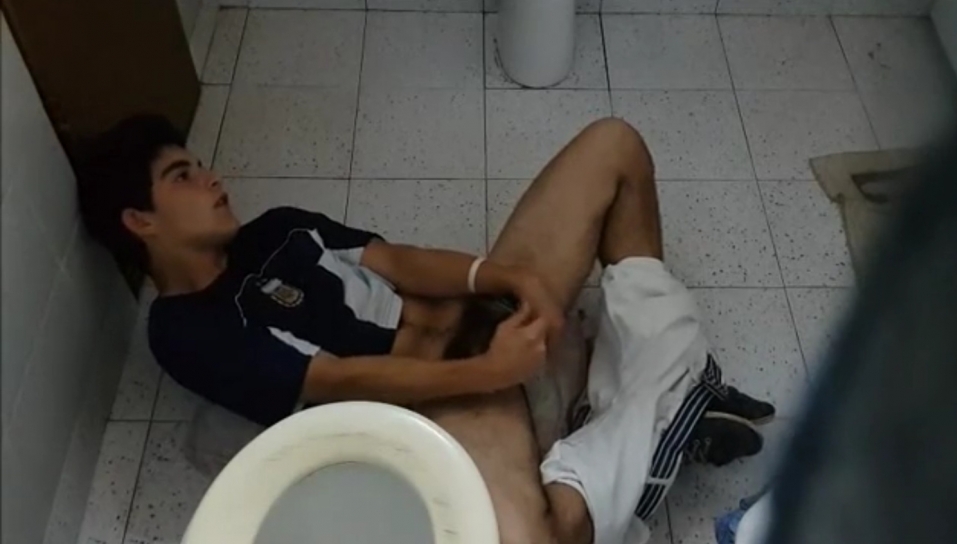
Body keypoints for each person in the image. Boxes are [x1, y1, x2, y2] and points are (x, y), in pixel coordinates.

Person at [78, 115, 775, 544]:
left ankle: (634, 404)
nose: (211, 179)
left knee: (612, 147)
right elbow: (340, 380)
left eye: (199, 166)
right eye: (183, 176)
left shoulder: (276, 230)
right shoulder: (184, 331)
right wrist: (489, 372)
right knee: (528, 538)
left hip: (485, 327)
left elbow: (400, 261)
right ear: (140, 221)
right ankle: (650, 416)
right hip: (444, 405)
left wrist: (504, 278)